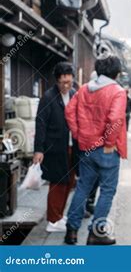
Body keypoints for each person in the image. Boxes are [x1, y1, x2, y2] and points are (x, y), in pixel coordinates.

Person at [64, 56, 127, 245]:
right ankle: (95, 234)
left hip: (86, 146)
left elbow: (69, 111)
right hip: (106, 148)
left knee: (83, 186)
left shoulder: (84, 89)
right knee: (107, 190)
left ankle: (72, 231)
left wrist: (77, 134)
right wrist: (108, 143)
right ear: (116, 73)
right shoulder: (117, 91)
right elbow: (115, 119)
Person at [33, 62, 77, 233]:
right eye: (63, 82)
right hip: (55, 147)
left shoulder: (74, 94)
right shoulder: (48, 97)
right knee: (58, 182)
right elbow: (40, 124)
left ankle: (59, 215)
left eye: (69, 82)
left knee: (69, 182)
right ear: (56, 81)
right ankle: (52, 220)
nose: (66, 86)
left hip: (72, 146)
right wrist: (38, 149)